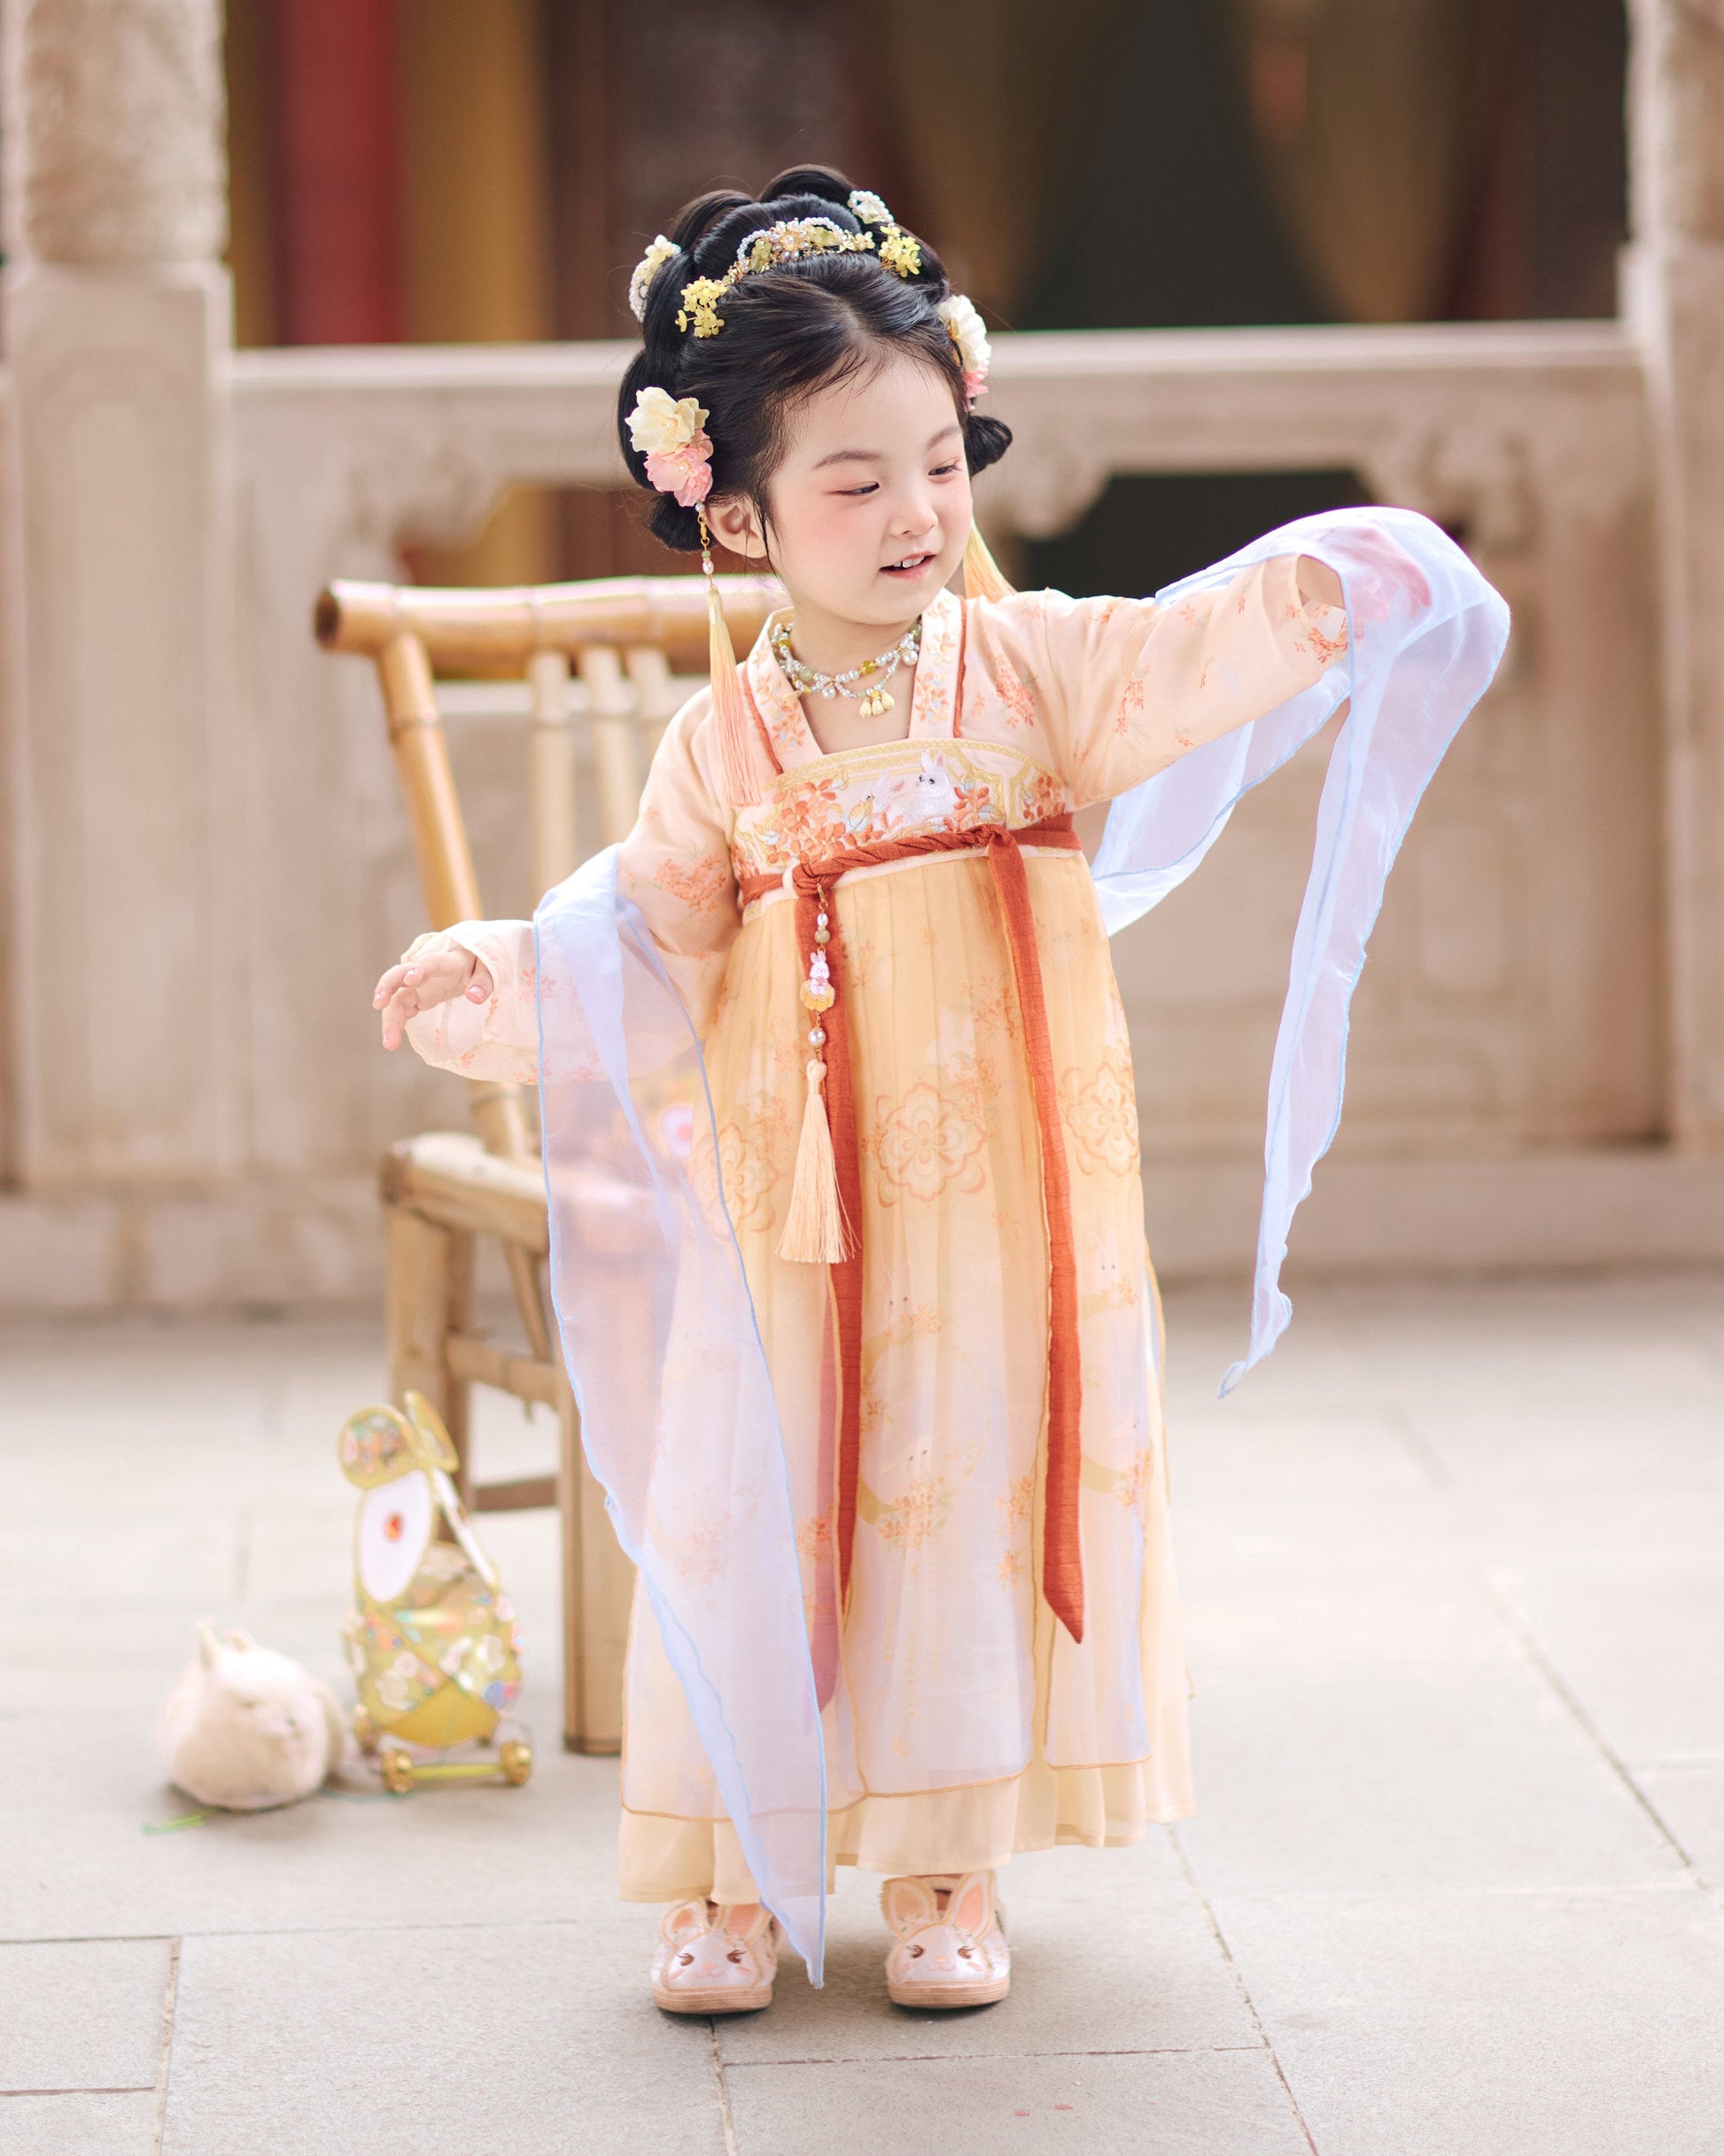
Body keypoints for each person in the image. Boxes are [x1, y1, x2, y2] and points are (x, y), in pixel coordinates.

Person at [372, 167, 1507, 2014]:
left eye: (936, 463)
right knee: (762, 1487)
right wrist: (495, 972)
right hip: (792, 1193)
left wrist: (1313, 592)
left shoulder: (1033, 666)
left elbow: (1172, 653)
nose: (911, 513)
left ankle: (941, 1856)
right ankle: (732, 1864)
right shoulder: (722, 740)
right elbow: (642, 939)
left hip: (1006, 1192)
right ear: (731, 510)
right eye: (852, 480)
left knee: (959, 1484)